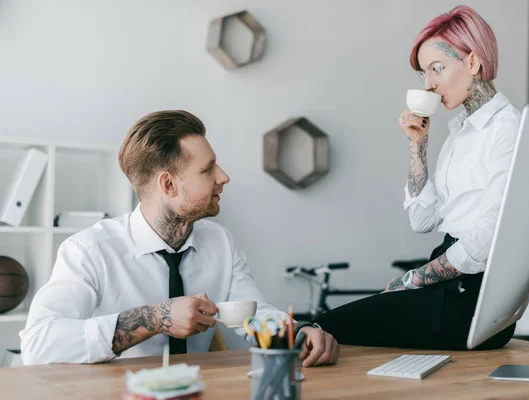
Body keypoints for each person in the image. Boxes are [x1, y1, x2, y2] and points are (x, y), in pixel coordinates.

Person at [20, 110, 339, 366]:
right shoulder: (89, 251)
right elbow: (38, 344)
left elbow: (252, 317)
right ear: (169, 185)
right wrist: (152, 318)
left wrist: (299, 333)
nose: (223, 177)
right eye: (208, 169)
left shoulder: (220, 243)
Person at [315, 5, 520, 350]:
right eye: (424, 74)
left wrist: (413, 279)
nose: (429, 84)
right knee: (329, 326)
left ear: (472, 63)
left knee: (330, 327)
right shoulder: (461, 133)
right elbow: (423, 220)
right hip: (450, 275)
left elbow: (486, 242)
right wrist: (418, 146)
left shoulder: (508, 129)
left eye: (436, 69)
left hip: (476, 299)